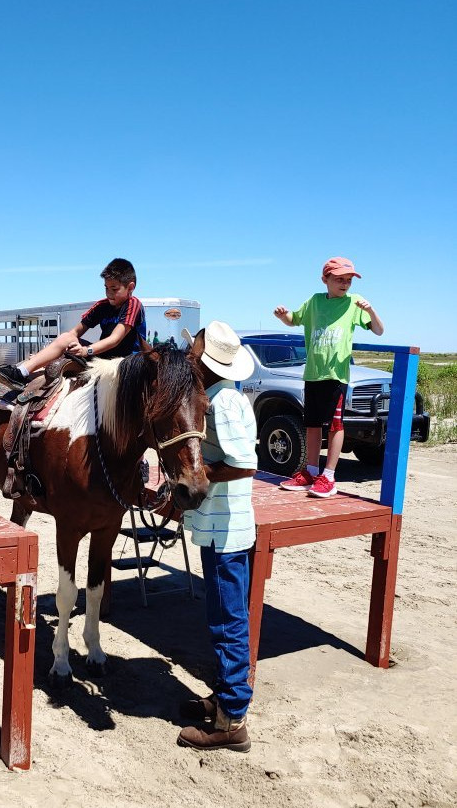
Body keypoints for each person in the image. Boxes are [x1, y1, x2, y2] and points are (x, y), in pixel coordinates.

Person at [177, 321, 257, 753]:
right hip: (225, 524)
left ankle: (232, 721)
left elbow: (244, 464)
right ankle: (224, 700)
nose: (190, 355)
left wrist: (199, 474)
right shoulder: (226, 395)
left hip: (226, 527)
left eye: (196, 351)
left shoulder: (222, 402)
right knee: (225, 616)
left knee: (228, 621)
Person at [273, 256, 385, 497]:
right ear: (325, 279)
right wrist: (283, 316)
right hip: (313, 373)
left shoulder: (354, 303)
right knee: (312, 424)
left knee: (335, 425)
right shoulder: (314, 301)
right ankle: (310, 472)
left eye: (348, 280)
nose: (345, 284)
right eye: (339, 279)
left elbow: (378, 330)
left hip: (336, 375)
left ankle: (329, 477)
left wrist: (371, 311)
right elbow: (294, 320)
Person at [0, 258, 146, 390]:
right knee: (66, 338)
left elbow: (115, 339)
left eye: (114, 289)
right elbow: (74, 333)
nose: (109, 294)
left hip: (127, 362)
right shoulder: (102, 306)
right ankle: (21, 372)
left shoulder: (132, 305)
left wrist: (86, 350)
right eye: (106, 288)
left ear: (130, 287)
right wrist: (53, 350)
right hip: (102, 357)